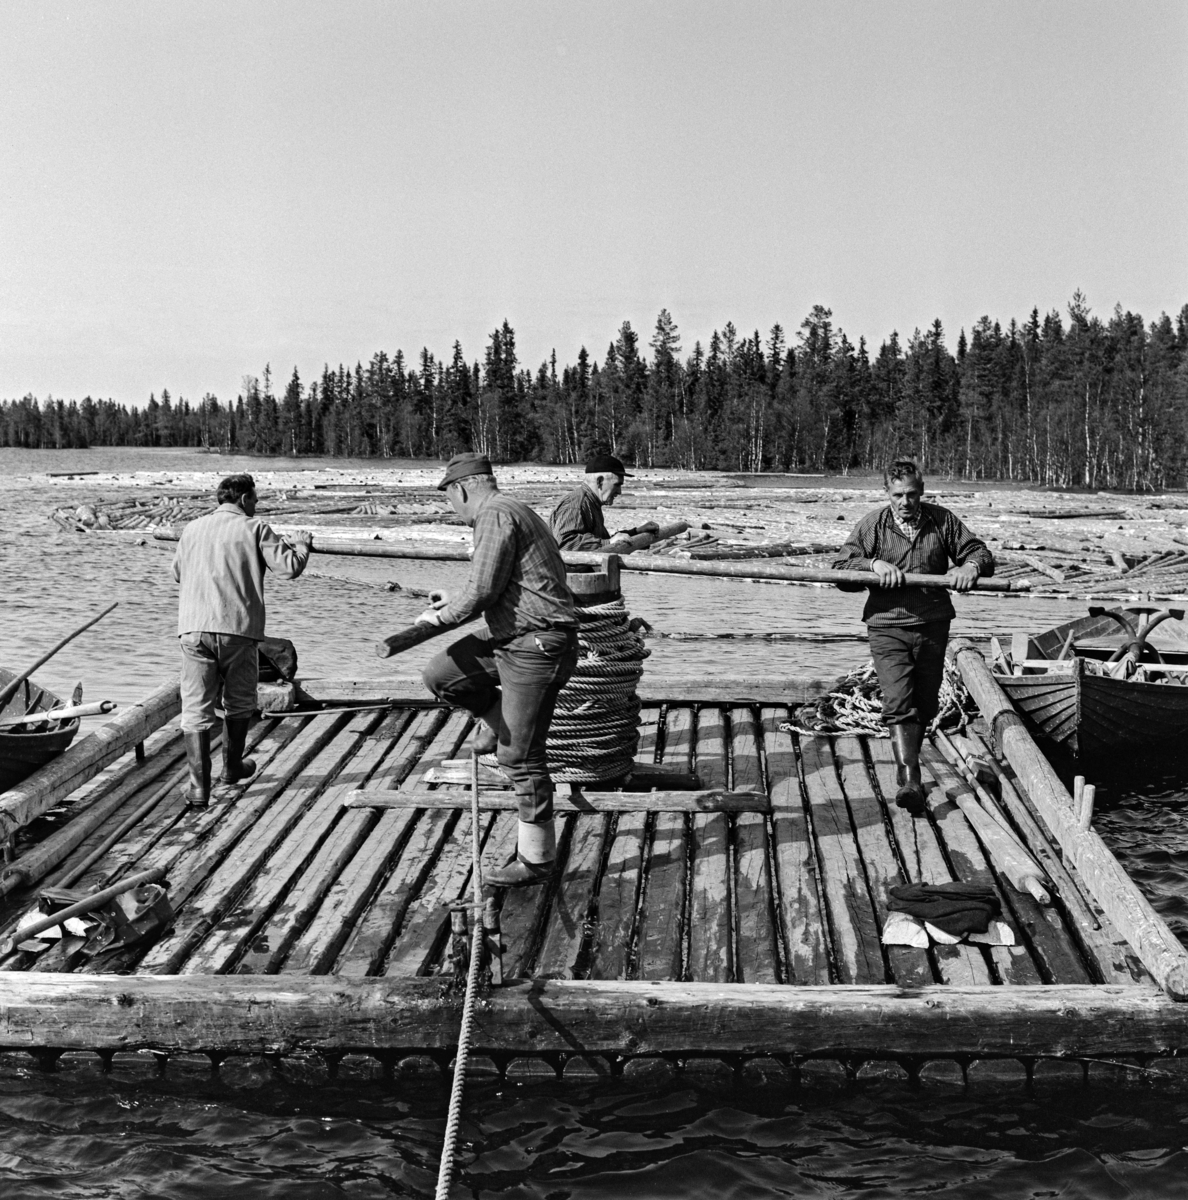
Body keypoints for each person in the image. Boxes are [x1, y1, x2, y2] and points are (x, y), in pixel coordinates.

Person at [419, 453, 580, 887]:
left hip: (537, 644)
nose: (455, 511)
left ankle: (537, 861)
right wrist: (450, 600)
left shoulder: (493, 515)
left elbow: (484, 590)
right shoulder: (511, 510)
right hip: (512, 637)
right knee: (443, 674)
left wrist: (436, 620)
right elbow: (495, 584)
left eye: (451, 501)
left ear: (462, 489)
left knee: (520, 758)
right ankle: (496, 720)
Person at [831, 459, 994, 815]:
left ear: (922, 491)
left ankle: (912, 767)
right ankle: (910, 779)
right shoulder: (874, 525)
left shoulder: (942, 520)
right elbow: (841, 569)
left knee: (926, 702)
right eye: (898, 495)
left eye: (912, 494)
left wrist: (971, 567)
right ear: (886, 492)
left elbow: (980, 552)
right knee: (899, 700)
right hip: (887, 625)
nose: (906, 502)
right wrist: (872, 565)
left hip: (934, 624)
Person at [171, 474, 311, 806]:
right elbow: (289, 568)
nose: (256, 506)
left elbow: (178, 572)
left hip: (193, 629)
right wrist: (301, 543)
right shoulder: (254, 528)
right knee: (239, 702)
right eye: (255, 501)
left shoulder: (191, 529)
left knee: (196, 706)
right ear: (245, 499)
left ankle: (198, 788)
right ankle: (231, 769)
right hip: (237, 629)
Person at [549, 452, 659, 551]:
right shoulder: (577, 504)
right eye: (617, 485)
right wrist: (609, 543)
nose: (619, 492)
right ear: (600, 481)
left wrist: (637, 532)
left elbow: (602, 540)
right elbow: (565, 544)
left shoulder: (592, 503)